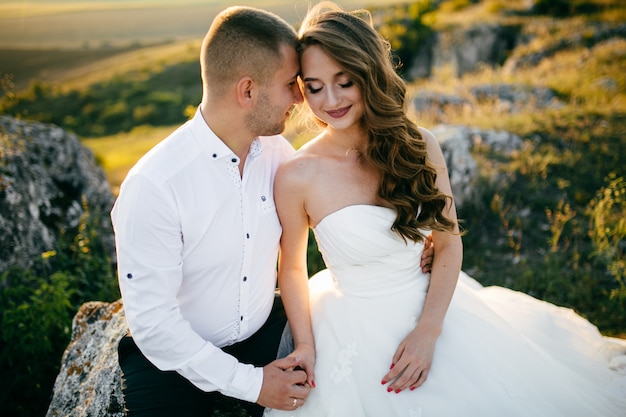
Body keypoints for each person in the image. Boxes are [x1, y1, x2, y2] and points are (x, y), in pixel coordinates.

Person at [264, 2, 626, 416]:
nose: (330, 99)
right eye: (314, 87)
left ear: (370, 75)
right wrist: (307, 344)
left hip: (436, 309)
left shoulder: (420, 145)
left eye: (345, 82)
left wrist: (428, 332)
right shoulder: (297, 175)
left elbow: (448, 244)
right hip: (351, 322)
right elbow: (292, 268)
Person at [111, 4, 436, 416]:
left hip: (266, 336)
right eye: (291, 84)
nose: (302, 97)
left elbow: (339, 196)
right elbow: (155, 327)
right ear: (248, 91)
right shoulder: (154, 185)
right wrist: (254, 384)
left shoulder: (279, 156)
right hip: (175, 364)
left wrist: (405, 246)